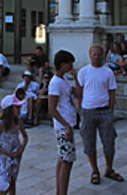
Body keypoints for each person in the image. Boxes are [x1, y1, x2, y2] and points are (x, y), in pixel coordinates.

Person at [76, 44, 123, 185]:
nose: (96, 57)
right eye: (94, 54)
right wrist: (79, 110)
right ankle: (94, 170)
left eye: (99, 54)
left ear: (103, 55)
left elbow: (112, 92)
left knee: (109, 143)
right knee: (89, 144)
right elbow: (79, 92)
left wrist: (111, 110)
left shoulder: (108, 72)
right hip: (88, 111)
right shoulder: (83, 71)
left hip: (104, 111)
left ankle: (109, 168)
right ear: (90, 55)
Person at [48, 50, 77, 195]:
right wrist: (66, 126)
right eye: (69, 63)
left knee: (62, 158)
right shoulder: (55, 83)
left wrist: (76, 78)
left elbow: (78, 94)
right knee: (67, 161)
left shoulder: (64, 80)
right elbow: (52, 109)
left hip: (67, 124)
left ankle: (60, 191)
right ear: (62, 64)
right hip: (64, 126)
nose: (71, 65)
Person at [0, 93, 29, 195]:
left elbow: (25, 137)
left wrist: (21, 150)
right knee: (4, 181)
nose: (19, 109)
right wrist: (7, 153)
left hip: (15, 151)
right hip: (4, 155)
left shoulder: (18, 121)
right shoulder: (1, 124)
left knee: (12, 179)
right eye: (17, 107)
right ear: (9, 109)